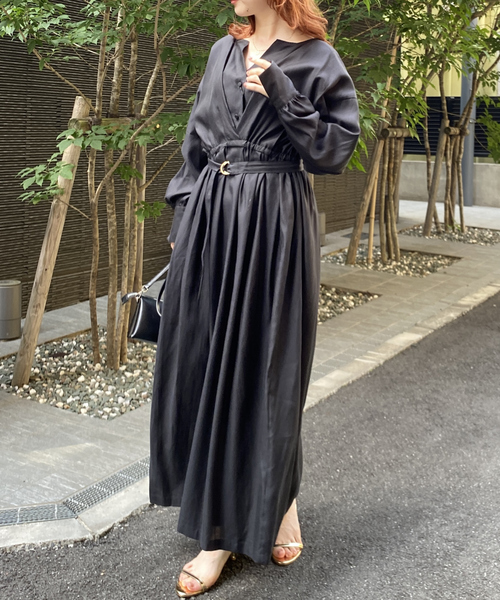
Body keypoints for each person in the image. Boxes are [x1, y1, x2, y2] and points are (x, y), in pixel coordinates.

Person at [149, 0, 361, 596]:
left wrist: (283, 94)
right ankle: (254, 504)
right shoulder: (224, 51)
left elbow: (334, 152)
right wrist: (182, 222)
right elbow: (197, 141)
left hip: (273, 225)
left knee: (264, 371)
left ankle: (228, 529)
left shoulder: (318, 59)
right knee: (201, 363)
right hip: (210, 223)